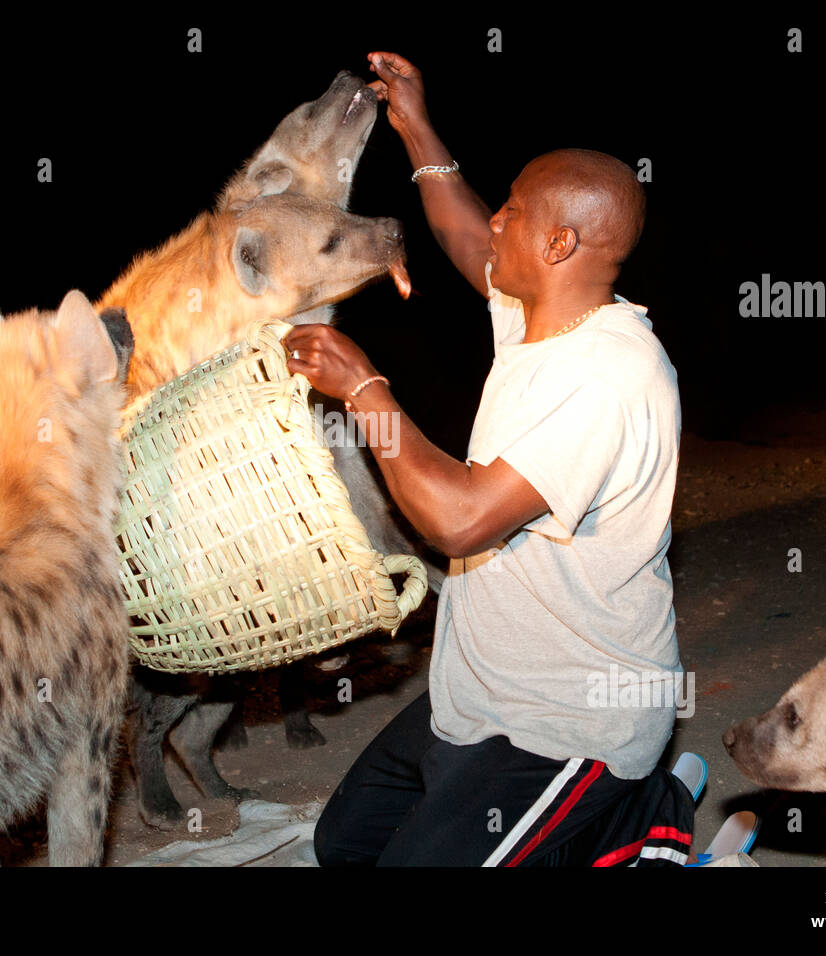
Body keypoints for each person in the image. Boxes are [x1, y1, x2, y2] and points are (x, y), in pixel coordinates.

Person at [284, 52, 693, 866]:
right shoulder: (539, 310)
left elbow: (460, 520)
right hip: (481, 699)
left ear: (562, 241)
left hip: (574, 723)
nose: (495, 222)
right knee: (343, 845)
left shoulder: (610, 376)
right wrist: (415, 125)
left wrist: (363, 386)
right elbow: (463, 230)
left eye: (514, 210)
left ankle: (641, 813)